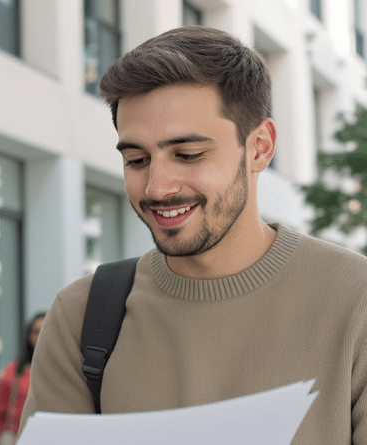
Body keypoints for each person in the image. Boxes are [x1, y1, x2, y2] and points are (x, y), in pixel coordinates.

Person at [19, 25, 367, 444]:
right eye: (137, 160)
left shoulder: (356, 300)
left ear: (259, 147)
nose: (157, 188)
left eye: (188, 155)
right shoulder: (80, 316)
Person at [0, 312, 46, 444]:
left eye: (46, 330)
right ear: (29, 336)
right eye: (37, 331)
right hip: (18, 438)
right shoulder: (14, 370)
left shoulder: (65, 369)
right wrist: (1, 436)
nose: (42, 335)